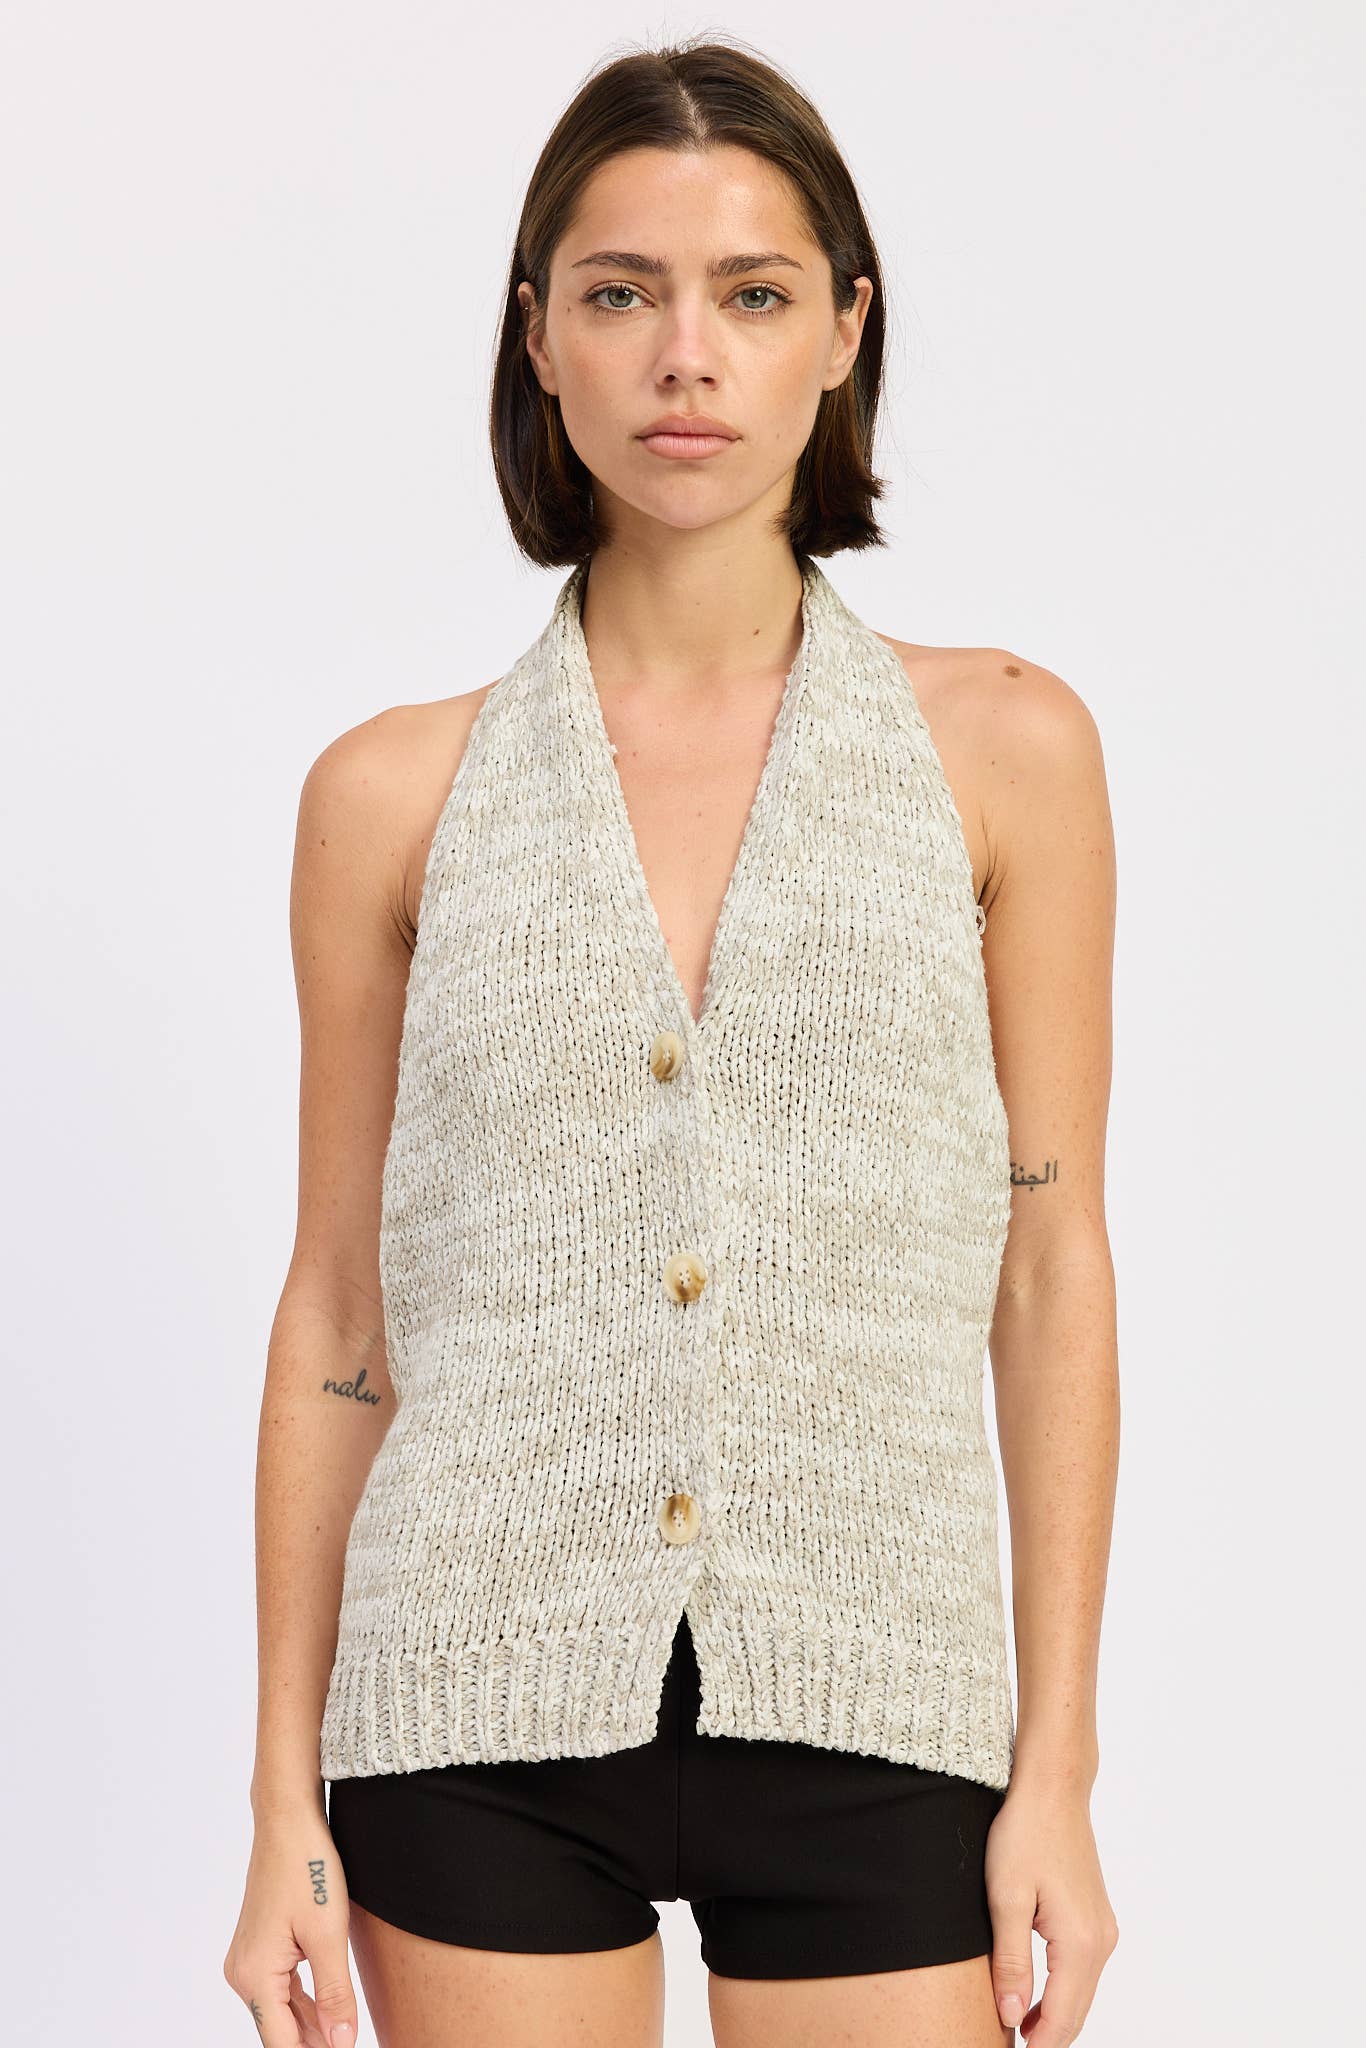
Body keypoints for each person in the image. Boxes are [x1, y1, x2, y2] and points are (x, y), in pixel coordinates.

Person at [223, 33, 1120, 2048]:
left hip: (880, 1688)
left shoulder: (1001, 751)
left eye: (752, 293)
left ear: (843, 331)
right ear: (537, 338)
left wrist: (1054, 1762)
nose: (684, 358)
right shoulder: (391, 794)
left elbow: (1049, 1267)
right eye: (619, 293)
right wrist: (280, 1790)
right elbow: (337, 1308)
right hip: (467, 1708)